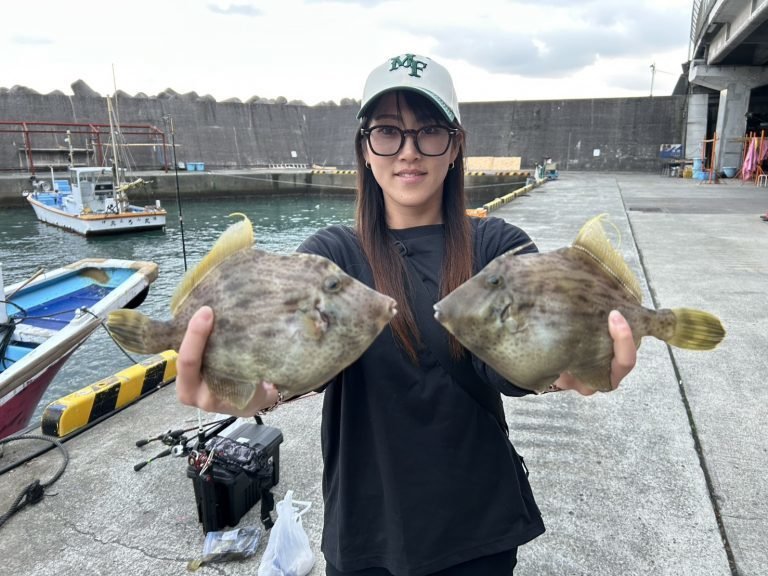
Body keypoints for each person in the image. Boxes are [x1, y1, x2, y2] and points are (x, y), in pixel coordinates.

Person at [176, 53, 637, 575]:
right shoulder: (330, 256)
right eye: (388, 132)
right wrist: (255, 393)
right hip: (368, 531)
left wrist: (562, 371)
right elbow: (292, 367)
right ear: (365, 148)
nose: (409, 151)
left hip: (479, 528)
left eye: (430, 131)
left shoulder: (499, 247)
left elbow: (510, 373)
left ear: (455, 146)